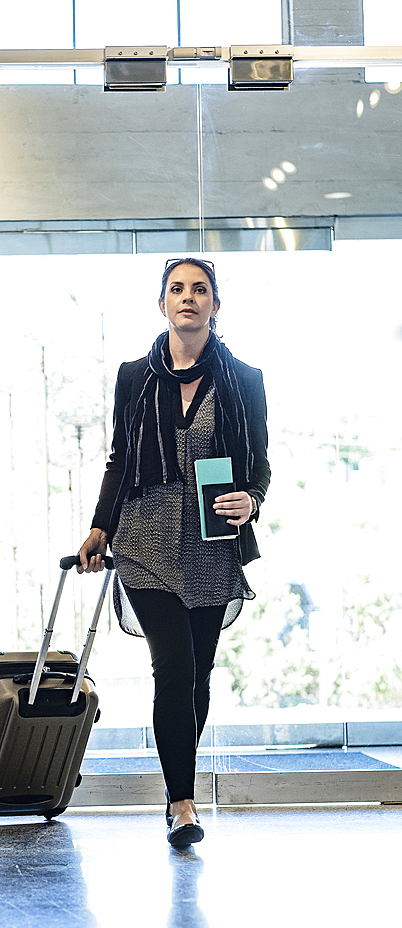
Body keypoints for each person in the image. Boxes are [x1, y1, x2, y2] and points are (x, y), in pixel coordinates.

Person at [78, 258, 270, 849]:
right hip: (145, 541)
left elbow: (258, 464)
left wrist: (252, 501)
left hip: (211, 544)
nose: (188, 298)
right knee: (175, 671)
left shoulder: (244, 379)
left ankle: (174, 787)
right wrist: (100, 528)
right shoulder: (135, 376)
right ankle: (183, 804)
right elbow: (119, 458)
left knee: (201, 676)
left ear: (215, 304)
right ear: (161, 303)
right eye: (177, 289)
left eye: (200, 289)